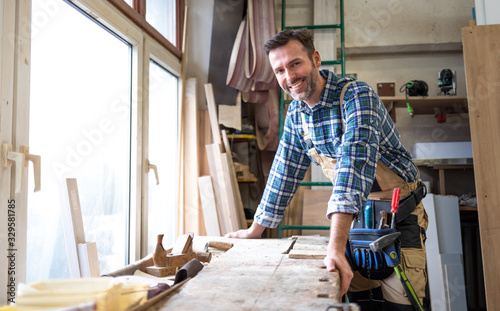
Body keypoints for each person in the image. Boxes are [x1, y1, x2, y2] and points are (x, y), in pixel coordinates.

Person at [225, 28, 428, 311]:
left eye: (295, 63)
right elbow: (283, 174)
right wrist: (255, 230)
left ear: (316, 59)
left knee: (399, 305)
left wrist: (334, 246)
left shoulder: (357, 96)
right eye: (280, 70)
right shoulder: (296, 115)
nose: (289, 76)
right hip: (355, 223)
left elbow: (353, 167)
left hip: (397, 218)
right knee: (359, 302)